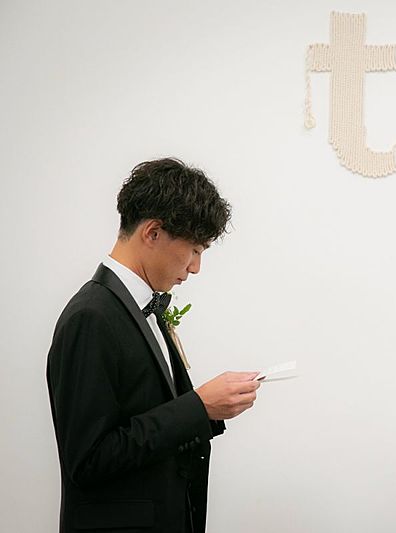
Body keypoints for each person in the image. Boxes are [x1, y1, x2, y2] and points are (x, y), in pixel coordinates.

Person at [47, 158, 261, 533]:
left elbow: (146, 414)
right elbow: (88, 461)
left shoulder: (144, 305)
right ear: (153, 233)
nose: (195, 267)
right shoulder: (90, 317)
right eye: (195, 249)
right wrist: (198, 406)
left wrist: (210, 410)